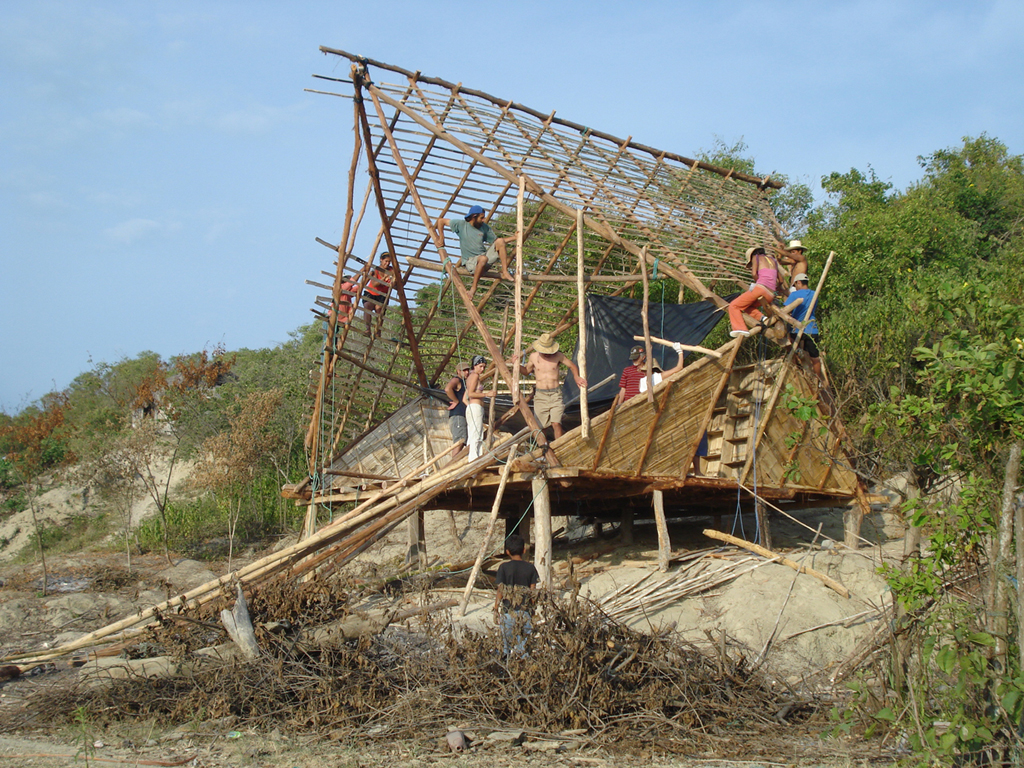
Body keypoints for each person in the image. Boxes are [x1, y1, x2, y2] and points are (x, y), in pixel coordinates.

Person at [516, 332, 587, 439]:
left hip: (555, 394)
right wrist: (516, 364)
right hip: (540, 395)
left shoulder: (558, 356)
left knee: (556, 423)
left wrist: (577, 377)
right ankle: (545, 449)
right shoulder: (534, 357)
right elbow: (526, 371)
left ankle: (560, 447)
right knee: (541, 427)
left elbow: (572, 366)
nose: (547, 354)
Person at [436, 205, 517, 296]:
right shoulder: (461, 225)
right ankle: (474, 287)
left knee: (500, 242)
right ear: (474, 217)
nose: (483, 220)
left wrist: (514, 237)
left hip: (484, 260)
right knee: (483, 259)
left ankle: (505, 271)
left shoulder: (484, 227)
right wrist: (441, 238)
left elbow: (497, 242)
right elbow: (440, 221)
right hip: (471, 262)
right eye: (481, 218)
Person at [492, 533, 539, 659]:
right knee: (524, 649)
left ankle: (506, 673)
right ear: (524, 550)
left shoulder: (503, 567)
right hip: (524, 613)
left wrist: (496, 609)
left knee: (504, 649)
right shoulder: (530, 568)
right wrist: (532, 610)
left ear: (507, 551)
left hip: (508, 613)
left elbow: (500, 590)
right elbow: (532, 592)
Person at [727, 246, 781, 338]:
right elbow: (781, 280)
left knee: (733, 306)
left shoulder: (756, 257)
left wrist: (758, 283)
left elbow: (754, 274)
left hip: (760, 289)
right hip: (770, 294)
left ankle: (740, 329)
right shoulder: (773, 260)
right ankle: (761, 317)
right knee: (747, 306)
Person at [783, 274, 824, 383]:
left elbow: (785, 311)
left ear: (799, 283)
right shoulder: (814, 294)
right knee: (815, 358)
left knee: (789, 342)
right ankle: (817, 381)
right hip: (812, 329)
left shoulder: (795, 295)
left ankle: (798, 355)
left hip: (797, 329)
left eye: (795, 284)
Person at [361, 252, 401, 336]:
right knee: (367, 307)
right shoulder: (376, 270)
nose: (387, 263)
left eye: (389, 262)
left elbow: (398, 282)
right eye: (385, 261)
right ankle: (367, 329)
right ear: (381, 260)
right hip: (371, 293)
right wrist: (384, 278)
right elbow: (375, 284)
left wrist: (393, 280)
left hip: (382, 295)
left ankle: (378, 331)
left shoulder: (392, 271)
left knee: (380, 312)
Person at [463, 355, 493, 460]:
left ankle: (475, 458)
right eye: (480, 366)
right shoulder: (474, 376)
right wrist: (486, 395)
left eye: (484, 367)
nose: (482, 369)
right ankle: (473, 460)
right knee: (476, 435)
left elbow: (464, 398)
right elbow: (470, 394)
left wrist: (470, 407)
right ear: (475, 365)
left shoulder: (470, 377)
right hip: (475, 408)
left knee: (474, 434)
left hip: (472, 408)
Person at [444, 361, 471, 460]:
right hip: (458, 416)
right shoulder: (457, 380)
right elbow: (447, 389)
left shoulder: (465, 382)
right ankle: (452, 466)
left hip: (462, 416)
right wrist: (456, 401)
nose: (467, 372)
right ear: (458, 371)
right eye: (464, 370)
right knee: (459, 442)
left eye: (468, 370)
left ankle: (456, 464)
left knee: (463, 442)